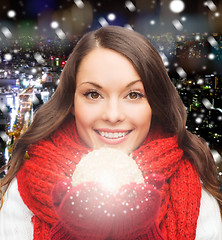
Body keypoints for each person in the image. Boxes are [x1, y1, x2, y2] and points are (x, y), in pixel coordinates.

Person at [0, 25, 222, 240]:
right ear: (71, 103)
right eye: (94, 94)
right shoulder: (20, 197)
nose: (113, 115)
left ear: (154, 105)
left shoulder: (198, 198)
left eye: (133, 95)